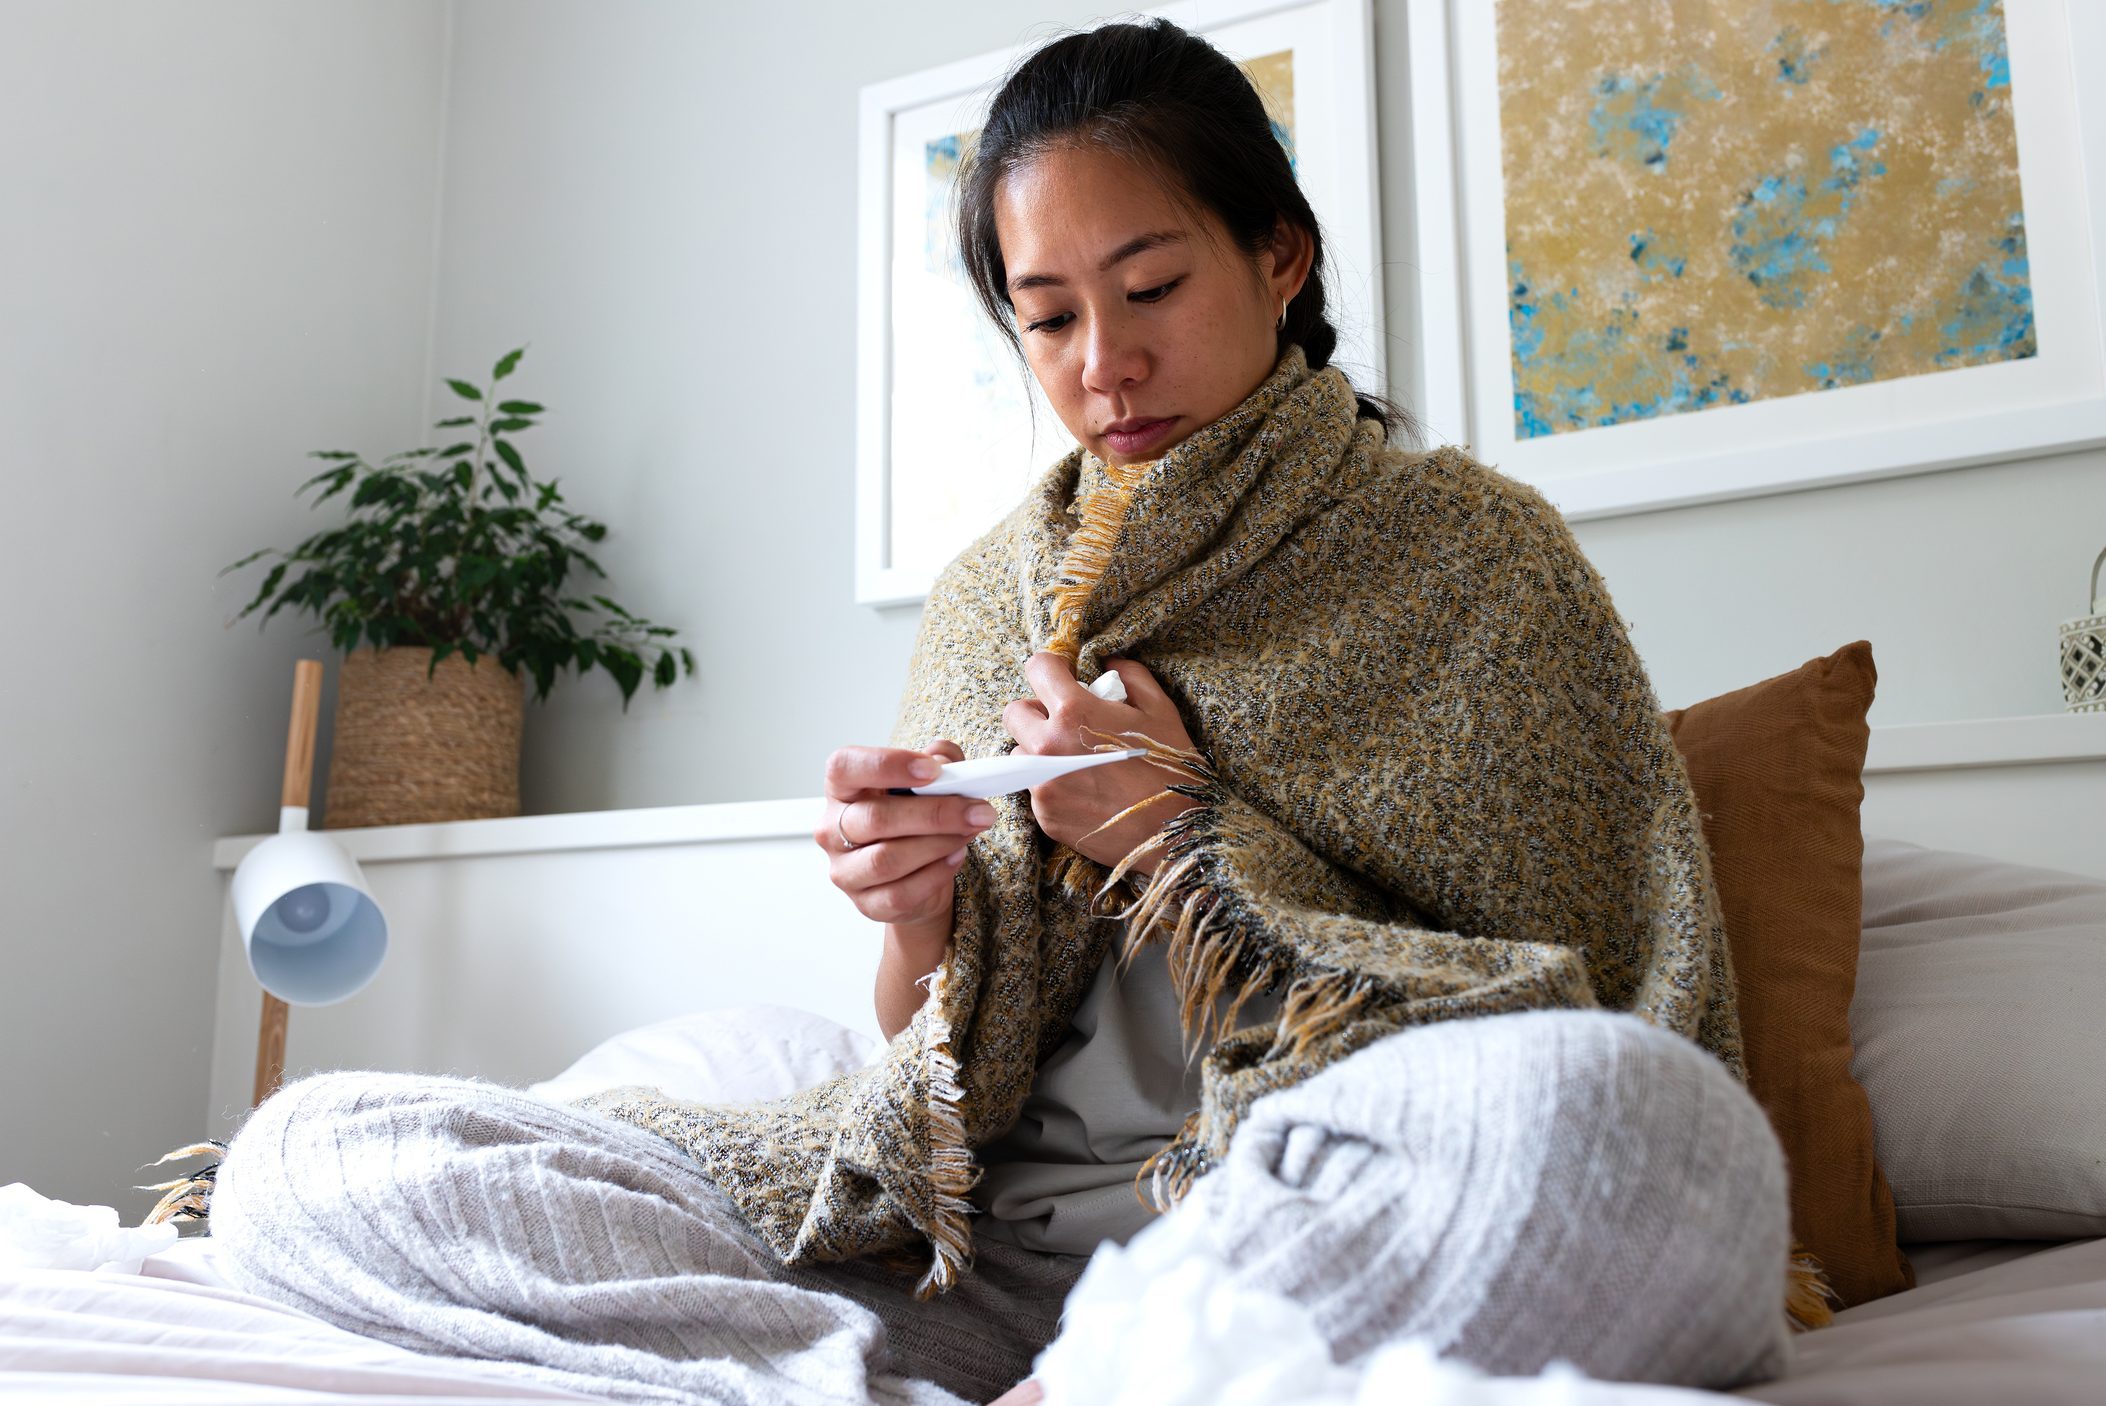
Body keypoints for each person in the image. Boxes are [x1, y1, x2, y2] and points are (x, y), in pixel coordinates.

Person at [159, 18, 1810, 1406]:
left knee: (1637, 1137)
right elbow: (922, 1055)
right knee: (324, 1151)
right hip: (968, 1260)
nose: (1104, 362)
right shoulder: (988, 597)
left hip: (1298, 1225)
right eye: (1048, 316)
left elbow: (1577, 1009)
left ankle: (1104, 1361)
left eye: (1151, 285)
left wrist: (1181, 836)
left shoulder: (1469, 555)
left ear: (1277, 256)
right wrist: (915, 905)